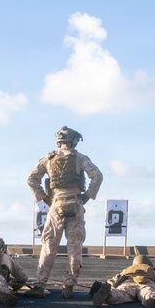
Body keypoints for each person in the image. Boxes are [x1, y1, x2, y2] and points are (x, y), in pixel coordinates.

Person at [26, 126, 103, 298]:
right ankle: (68, 286)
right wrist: (87, 197)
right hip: (75, 204)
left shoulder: (48, 158)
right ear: (73, 141)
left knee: (48, 247)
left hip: (56, 205)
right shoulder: (80, 158)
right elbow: (97, 176)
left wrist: (44, 198)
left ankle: (39, 284)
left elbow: (31, 178)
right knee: (75, 248)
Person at [89, 254, 155, 308]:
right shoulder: (153, 272)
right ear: (150, 264)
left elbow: (115, 280)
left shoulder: (127, 270)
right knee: (149, 291)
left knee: (122, 292)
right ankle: (154, 299)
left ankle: (109, 295)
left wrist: (109, 285)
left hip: (128, 282)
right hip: (146, 283)